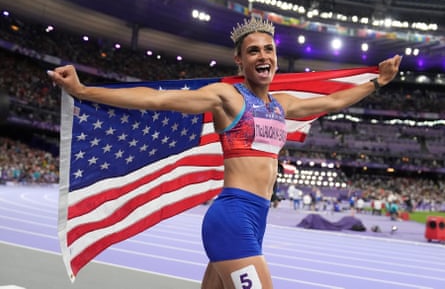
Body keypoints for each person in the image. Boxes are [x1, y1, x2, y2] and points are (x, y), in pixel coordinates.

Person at [48, 18, 401, 289]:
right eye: (253, 51)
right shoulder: (227, 98)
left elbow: (334, 100)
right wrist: (84, 90)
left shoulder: (283, 105)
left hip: (256, 220)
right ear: (240, 61)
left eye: (268, 50)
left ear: (275, 59)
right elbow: (155, 98)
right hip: (231, 218)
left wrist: (378, 82)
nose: (263, 56)